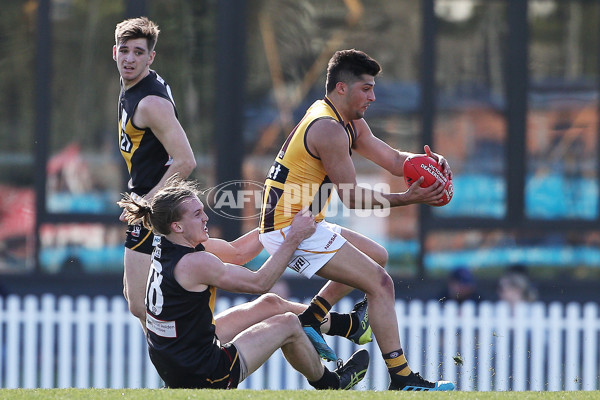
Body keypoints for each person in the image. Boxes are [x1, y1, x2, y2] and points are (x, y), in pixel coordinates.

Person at [258, 49, 455, 391]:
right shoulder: (329, 129)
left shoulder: (346, 122)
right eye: (366, 88)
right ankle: (402, 378)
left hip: (304, 221)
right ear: (341, 89)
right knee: (381, 284)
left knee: (378, 255)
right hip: (291, 229)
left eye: (373, 88)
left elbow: (394, 159)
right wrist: (405, 200)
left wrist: (428, 163)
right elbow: (350, 196)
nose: (373, 96)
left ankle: (313, 317)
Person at [118, 177, 369, 389]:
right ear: (177, 225)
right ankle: (333, 384)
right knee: (289, 324)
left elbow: (238, 253)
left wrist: (276, 220)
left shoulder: (166, 244)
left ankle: (348, 326)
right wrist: (294, 237)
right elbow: (260, 281)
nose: (206, 217)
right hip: (203, 372)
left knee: (271, 304)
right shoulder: (197, 263)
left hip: (178, 357)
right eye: (197, 214)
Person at [113, 17, 197, 329]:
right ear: (114, 52)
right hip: (152, 203)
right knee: (140, 300)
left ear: (151, 57)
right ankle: (186, 361)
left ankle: (192, 358)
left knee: (141, 303)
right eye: (125, 51)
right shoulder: (133, 87)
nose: (129, 59)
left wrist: (146, 203)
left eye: (138, 52)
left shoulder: (150, 102)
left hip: (156, 208)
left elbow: (186, 161)